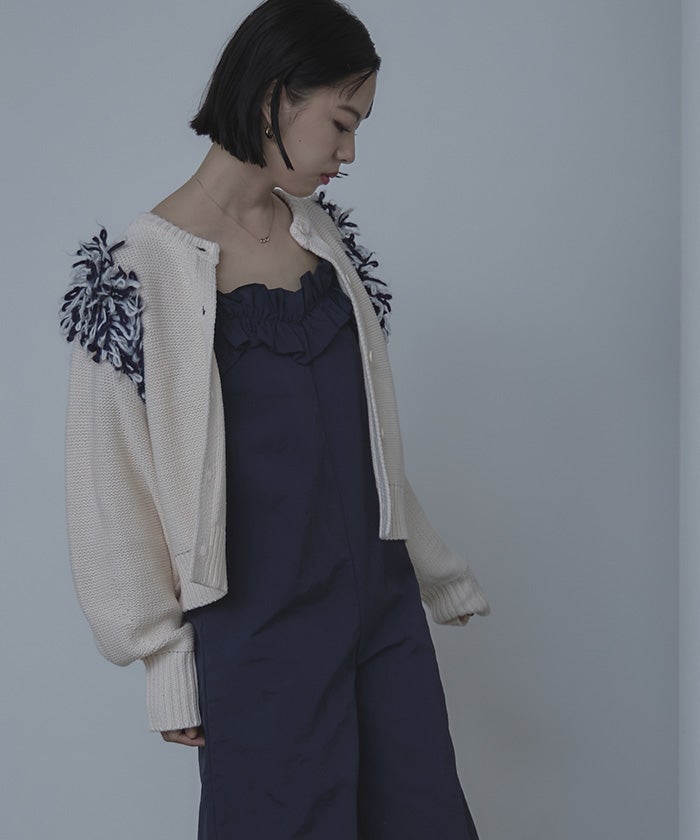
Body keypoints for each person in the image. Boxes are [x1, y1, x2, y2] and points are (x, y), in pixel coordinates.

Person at [59, 0, 490, 836]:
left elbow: (370, 442)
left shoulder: (327, 243)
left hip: (381, 614)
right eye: (342, 123)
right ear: (273, 98)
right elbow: (110, 495)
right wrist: (163, 660)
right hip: (259, 635)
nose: (349, 153)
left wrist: (435, 570)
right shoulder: (138, 277)